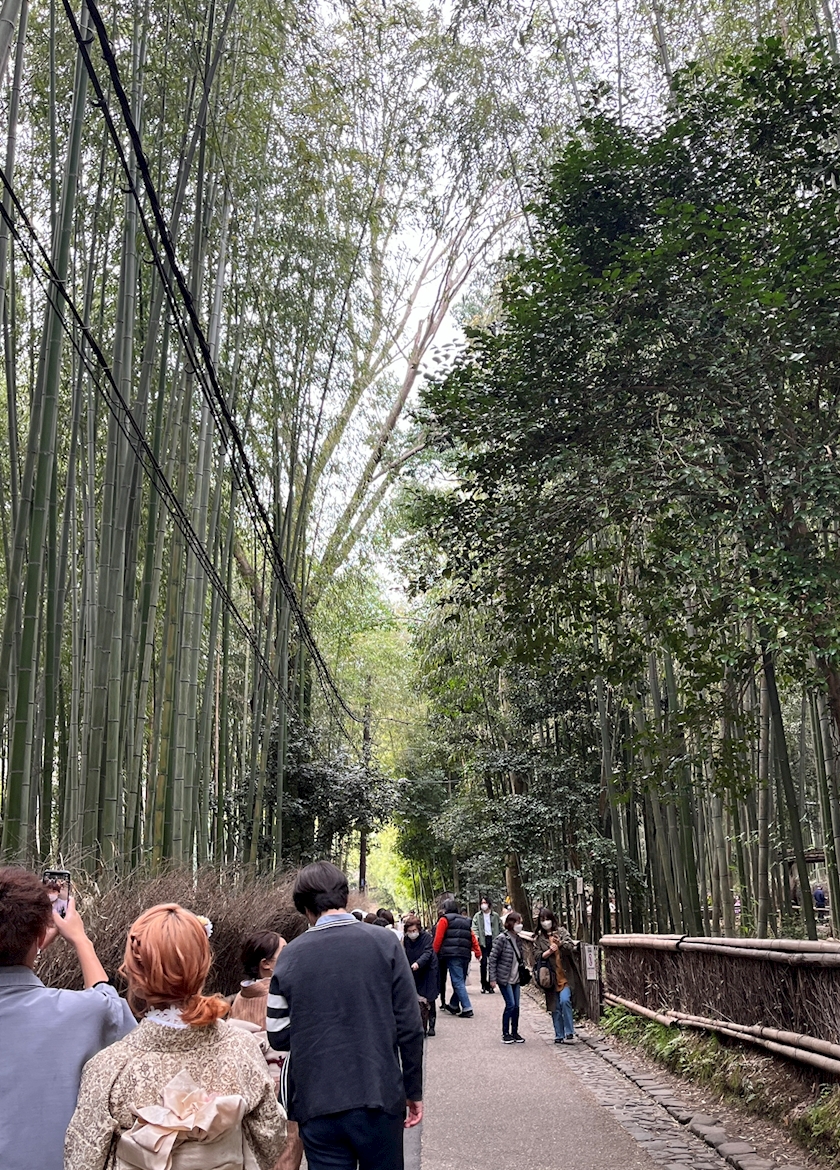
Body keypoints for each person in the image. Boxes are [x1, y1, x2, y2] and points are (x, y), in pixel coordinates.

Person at [65, 903, 286, 1170]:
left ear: (135, 973)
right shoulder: (242, 1050)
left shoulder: (110, 1068)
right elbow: (270, 1140)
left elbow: (83, 1160)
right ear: (203, 966)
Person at [268, 861, 423, 1170]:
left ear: (304, 907)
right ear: (344, 896)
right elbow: (410, 1025)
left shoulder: (289, 956)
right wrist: (413, 1089)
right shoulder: (386, 944)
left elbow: (278, 1034)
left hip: (316, 1101)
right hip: (379, 1094)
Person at [0, 868, 136, 1170]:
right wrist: (80, 941)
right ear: (39, 936)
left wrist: (31, 949)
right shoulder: (81, 1013)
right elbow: (111, 1009)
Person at [432, 897, 481, 1018]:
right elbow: (472, 936)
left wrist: (434, 953)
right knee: (461, 980)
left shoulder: (444, 920)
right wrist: (477, 951)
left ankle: (467, 1007)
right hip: (465, 954)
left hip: (452, 954)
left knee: (457, 981)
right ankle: (454, 1004)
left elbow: (438, 938)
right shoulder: (465, 920)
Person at [533, 909, 576, 1043]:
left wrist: (560, 944)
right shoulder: (539, 939)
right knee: (555, 1006)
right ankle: (559, 1034)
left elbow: (571, 946)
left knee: (565, 1001)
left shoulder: (561, 932)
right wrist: (549, 951)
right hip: (549, 977)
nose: (546, 922)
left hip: (565, 975)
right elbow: (536, 955)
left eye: (548, 918)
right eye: (542, 919)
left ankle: (569, 1031)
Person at [489, 911, 527, 1044]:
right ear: (511, 923)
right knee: (510, 1004)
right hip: (504, 977)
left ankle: (514, 1032)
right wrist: (492, 978)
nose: (520, 925)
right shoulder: (502, 939)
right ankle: (505, 1033)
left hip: (516, 978)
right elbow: (493, 959)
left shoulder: (518, 939)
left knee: (516, 1006)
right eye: (518, 922)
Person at [402, 914, 439, 1036]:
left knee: (429, 996)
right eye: (410, 931)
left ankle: (432, 1024)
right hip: (413, 969)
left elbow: (428, 952)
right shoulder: (406, 940)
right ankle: (421, 1023)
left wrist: (418, 963)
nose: (412, 933)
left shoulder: (426, 937)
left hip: (428, 969)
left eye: (414, 930)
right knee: (416, 997)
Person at [472, 896, 501, 994]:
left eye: (485, 902)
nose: (483, 905)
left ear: (489, 904)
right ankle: (483, 984)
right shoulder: (477, 916)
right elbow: (474, 927)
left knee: (492, 963)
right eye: (482, 903)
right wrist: (476, 936)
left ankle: (491, 985)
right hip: (482, 940)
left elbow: (501, 927)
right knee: (483, 963)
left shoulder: (495, 916)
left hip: (493, 939)